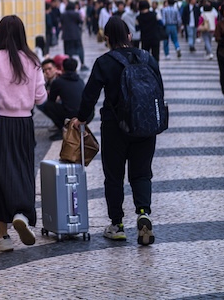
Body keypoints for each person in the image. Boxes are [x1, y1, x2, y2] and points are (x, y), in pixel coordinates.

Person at [69, 16, 161, 246]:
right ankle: (143, 213)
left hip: (115, 126)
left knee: (114, 176)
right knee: (142, 173)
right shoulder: (147, 58)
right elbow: (159, 90)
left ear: (107, 38)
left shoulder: (105, 62)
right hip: (145, 126)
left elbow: (90, 95)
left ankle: (117, 224)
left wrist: (82, 118)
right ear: (130, 35)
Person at [0, 15, 47, 253]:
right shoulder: (33, 61)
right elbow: (41, 98)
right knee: (24, 170)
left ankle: (3, 236)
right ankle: (22, 214)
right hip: (24, 123)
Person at [39, 57, 84, 141]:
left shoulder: (58, 81)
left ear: (61, 68)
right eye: (44, 70)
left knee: (47, 105)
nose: (47, 72)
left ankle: (62, 129)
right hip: (85, 115)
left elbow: (51, 100)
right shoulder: (80, 80)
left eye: (49, 69)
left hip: (71, 115)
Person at [61, 1, 87, 71]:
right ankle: (82, 64)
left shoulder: (63, 14)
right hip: (76, 35)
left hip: (66, 35)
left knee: (67, 51)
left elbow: (61, 22)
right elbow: (81, 21)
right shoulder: (76, 14)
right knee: (79, 49)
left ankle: (68, 65)